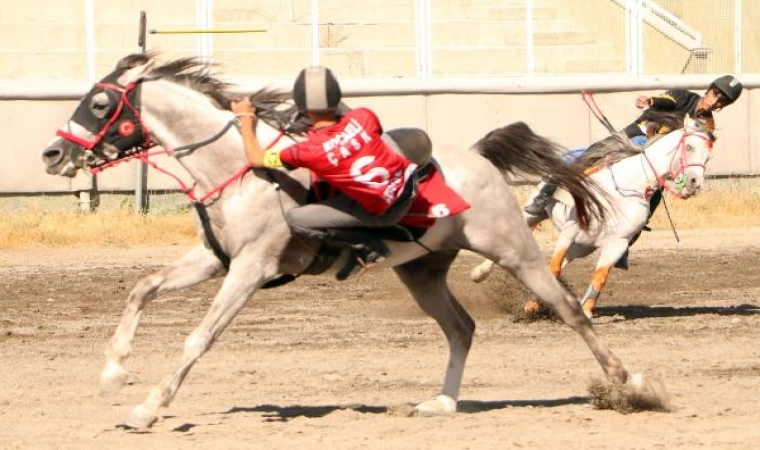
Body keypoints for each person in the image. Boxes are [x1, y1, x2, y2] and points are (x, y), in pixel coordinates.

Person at [231, 66, 417, 279]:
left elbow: (256, 159)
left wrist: (245, 118)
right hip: (409, 184)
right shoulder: (364, 116)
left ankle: (368, 246)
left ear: (301, 106)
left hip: (388, 211)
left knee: (296, 218)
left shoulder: (308, 151)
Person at [524, 74, 743, 218]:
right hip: (635, 139)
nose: (715, 102)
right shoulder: (683, 97)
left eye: (722, 101)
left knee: (652, 201)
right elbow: (665, 100)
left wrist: (684, 182)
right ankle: (545, 196)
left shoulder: (707, 125)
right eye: (716, 94)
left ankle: (626, 241)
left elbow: (694, 156)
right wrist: (651, 102)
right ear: (709, 89)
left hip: (658, 162)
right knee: (588, 155)